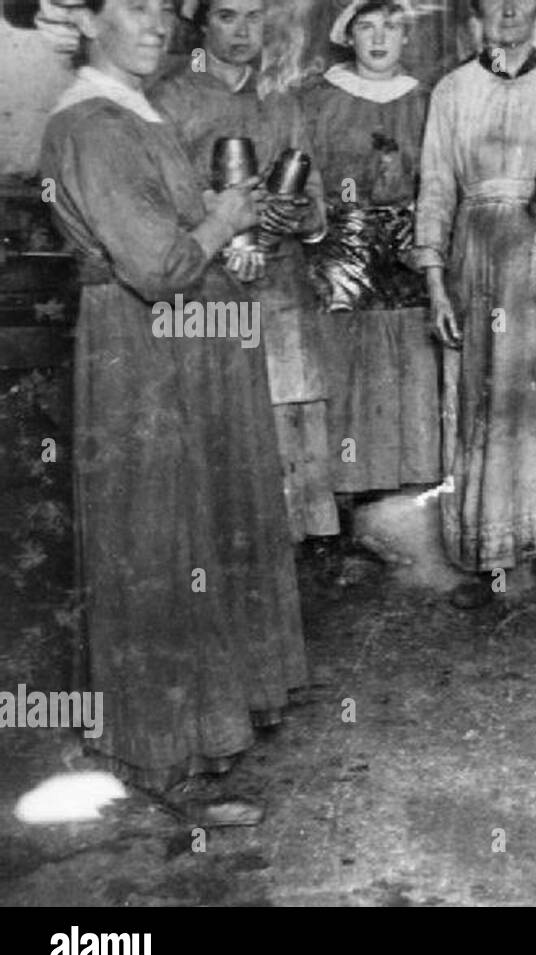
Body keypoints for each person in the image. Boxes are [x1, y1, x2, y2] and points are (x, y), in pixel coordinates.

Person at [41, 0, 307, 789]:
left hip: (185, 345)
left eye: (163, 7)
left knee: (195, 523)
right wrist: (224, 219)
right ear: (87, 21)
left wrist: (230, 228)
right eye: (132, 7)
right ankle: (161, 747)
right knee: (155, 534)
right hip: (141, 351)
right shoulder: (92, 124)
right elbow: (159, 267)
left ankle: (208, 721)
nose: (156, 24)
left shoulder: (135, 111)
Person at [414, 0, 536, 611]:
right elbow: (437, 186)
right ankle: (505, 565)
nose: (507, 9)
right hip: (481, 264)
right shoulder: (452, 90)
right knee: (492, 407)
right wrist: (435, 281)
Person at [150, 0, 340, 543]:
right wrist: (221, 220)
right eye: (227, 16)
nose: (241, 31)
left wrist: (295, 212)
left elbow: (317, 201)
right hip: (207, 286)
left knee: (289, 413)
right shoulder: (168, 99)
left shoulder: (282, 102)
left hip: (280, 285)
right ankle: (227, 549)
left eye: (253, 17)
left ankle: (298, 552)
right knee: (219, 418)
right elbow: (158, 202)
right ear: (202, 23)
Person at [302, 0, 440, 521]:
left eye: (391, 26)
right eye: (366, 26)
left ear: (406, 36)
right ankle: (341, 496)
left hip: (407, 250)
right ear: (348, 34)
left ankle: (404, 494)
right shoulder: (315, 99)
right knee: (345, 364)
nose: (379, 38)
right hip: (339, 251)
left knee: (406, 360)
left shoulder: (427, 101)